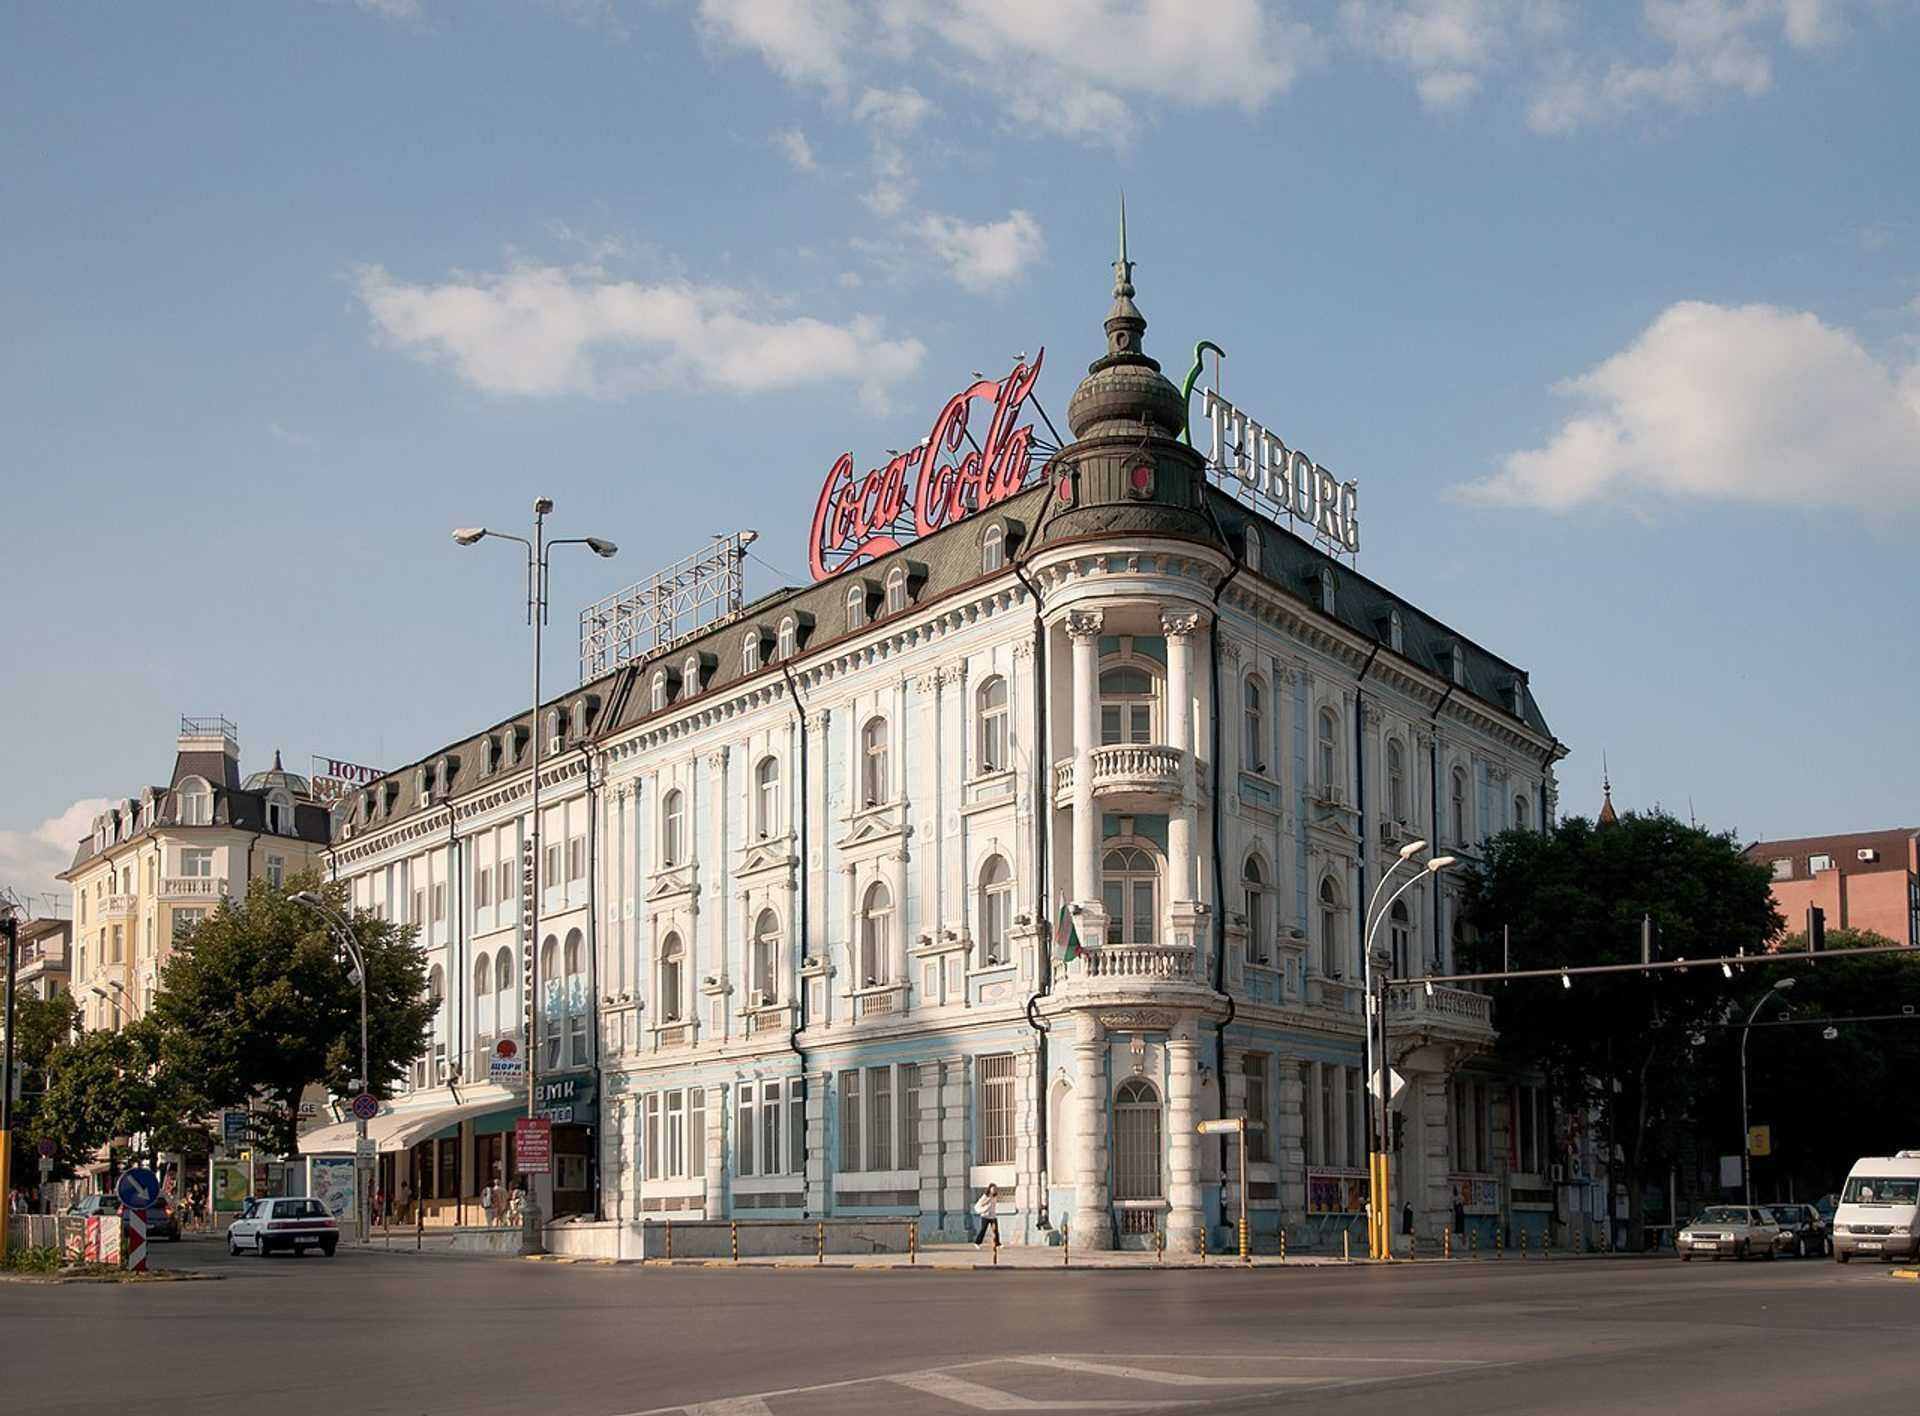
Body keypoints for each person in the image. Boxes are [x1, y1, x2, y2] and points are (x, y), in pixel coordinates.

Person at [972, 1183, 1001, 1248]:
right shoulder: (985, 1196)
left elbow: (993, 1206)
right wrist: (986, 1204)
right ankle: (977, 1243)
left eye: (995, 1189)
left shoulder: (995, 1196)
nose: (994, 1190)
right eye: (993, 1189)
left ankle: (997, 1244)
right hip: (985, 1216)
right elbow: (979, 1204)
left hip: (993, 1216)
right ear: (989, 1189)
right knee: (983, 1230)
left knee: (995, 1230)